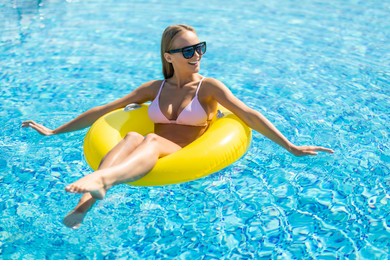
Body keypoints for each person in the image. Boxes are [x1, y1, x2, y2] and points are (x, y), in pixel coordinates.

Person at [22, 24, 334, 228]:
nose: (196, 55)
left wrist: (290, 146)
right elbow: (104, 110)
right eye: (188, 50)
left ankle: (102, 181)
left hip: (181, 149)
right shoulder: (156, 87)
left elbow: (248, 115)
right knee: (133, 134)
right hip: (149, 147)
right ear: (169, 57)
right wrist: (55, 131)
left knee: (150, 141)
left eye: (200, 47)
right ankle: (82, 207)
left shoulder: (209, 87)